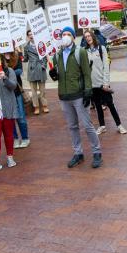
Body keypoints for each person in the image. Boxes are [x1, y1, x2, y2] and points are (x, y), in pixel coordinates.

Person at [49, 26, 102, 169]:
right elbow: (59, 75)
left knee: (87, 125)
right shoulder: (57, 55)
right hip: (64, 96)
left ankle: (97, 152)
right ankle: (78, 153)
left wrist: (88, 92)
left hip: (79, 95)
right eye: (63, 34)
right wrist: (54, 75)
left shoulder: (81, 52)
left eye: (68, 34)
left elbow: (86, 73)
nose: (65, 36)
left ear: (73, 36)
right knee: (72, 126)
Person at [83, 28, 126, 134]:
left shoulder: (101, 49)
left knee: (110, 104)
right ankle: (102, 126)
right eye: (86, 37)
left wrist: (106, 82)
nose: (88, 38)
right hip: (92, 84)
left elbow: (106, 67)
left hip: (102, 83)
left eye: (89, 36)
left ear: (93, 36)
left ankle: (119, 125)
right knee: (97, 106)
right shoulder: (84, 51)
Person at [4, 49, 30, 148]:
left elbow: (19, 71)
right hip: (6, 93)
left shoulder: (16, 55)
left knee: (21, 116)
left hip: (16, 91)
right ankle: (14, 138)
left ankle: (25, 138)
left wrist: (7, 73)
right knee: (10, 117)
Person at [23, 31, 49, 115]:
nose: (31, 36)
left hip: (40, 68)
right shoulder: (26, 47)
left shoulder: (41, 44)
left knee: (42, 90)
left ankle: (44, 106)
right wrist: (22, 58)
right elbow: (26, 59)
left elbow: (44, 56)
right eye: (29, 35)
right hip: (32, 69)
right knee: (33, 91)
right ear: (27, 36)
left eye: (32, 34)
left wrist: (44, 65)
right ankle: (36, 107)